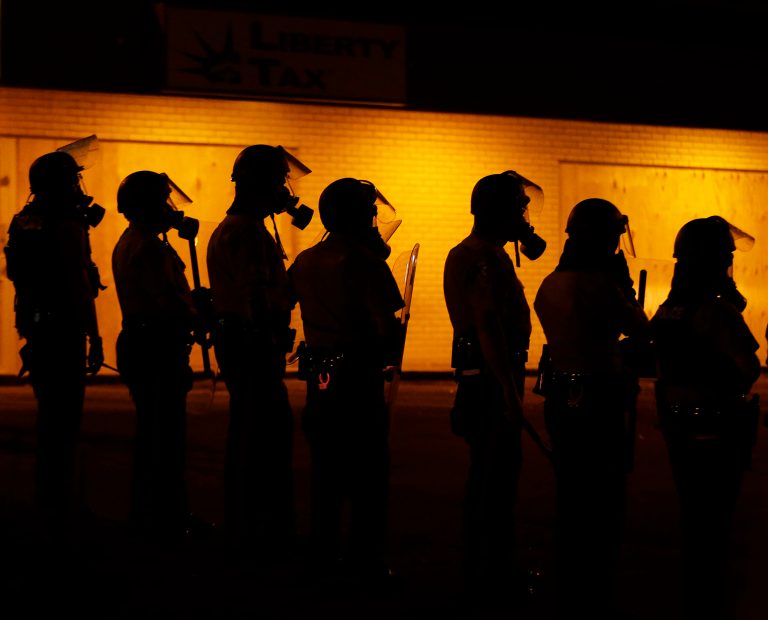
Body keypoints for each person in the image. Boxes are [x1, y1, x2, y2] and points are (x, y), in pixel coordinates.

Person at [533, 198, 649, 619]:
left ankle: (570, 575)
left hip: (561, 392)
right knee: (602, 494)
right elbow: (638, 328)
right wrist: (626, 293)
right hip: (600, 394)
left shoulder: (551, 283)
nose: (618, 244)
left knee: (571, 489)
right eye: (615, 236)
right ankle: (594, 584)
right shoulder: (598, 284)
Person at [288, 177, 405, 586]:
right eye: (370, 212)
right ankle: (364, 559)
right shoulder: (365, 262)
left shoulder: (305, 260)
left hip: (320, 371)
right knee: (368, 471)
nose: (374, 220)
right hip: (357, 373)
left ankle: (322, 553)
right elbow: (387, 322)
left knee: (326, 469)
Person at [442, 170, 547, 607]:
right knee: (496, 477)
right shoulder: (487, 258)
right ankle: (491, 573)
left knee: (486, 475)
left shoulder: (464, 252)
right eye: (519, 209)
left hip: (479, 375)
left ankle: (481, 566)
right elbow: (487, 322)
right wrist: (507, 388)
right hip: (490, 378)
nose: (524, 217)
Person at [650, 216, 761, 620]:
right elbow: (748, 367)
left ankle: (694, 598)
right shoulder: (717, 311)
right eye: (726, 257)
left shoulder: (669, 307)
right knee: (715, 522)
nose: (730, 264)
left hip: (678, 422)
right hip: (716, 424)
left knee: (694, 517)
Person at [206, 144, 312, 558]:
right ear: (261, 184)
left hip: (243, 342)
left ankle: (248, 524)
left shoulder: (240, 228)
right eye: (279, 182)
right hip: (252, 346)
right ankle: (261, 530)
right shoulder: (246, 232)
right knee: (264, 435)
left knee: (251, 432)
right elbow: (256, 296)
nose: (284, 192)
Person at [3, 148, 105, 544]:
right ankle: (62, 508)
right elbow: (80, 285)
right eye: (73, 177)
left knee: (50, 420)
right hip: (63, 332)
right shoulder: (67, 225)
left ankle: (48, 502)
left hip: (36, 329)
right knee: (65, 421)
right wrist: (94, 336)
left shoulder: (25, 220)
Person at [112, 170, 208, 543]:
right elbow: (164, 301)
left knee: (153, 433)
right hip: (156, 346)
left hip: (142, 342)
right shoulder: (149, 246)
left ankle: (149, 513)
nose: (170, 209)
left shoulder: (132, 240)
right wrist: (198, 313)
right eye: (163, 200)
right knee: (165, 436)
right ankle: (166, 517)